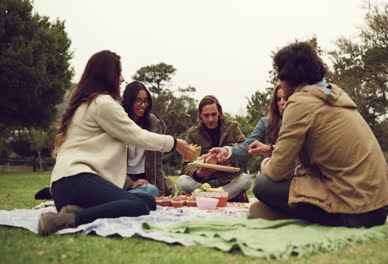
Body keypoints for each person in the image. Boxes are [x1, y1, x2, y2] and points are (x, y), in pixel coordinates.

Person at [38, 50, 195, 236]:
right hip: (77, 180)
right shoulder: (103, 103)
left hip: (63, 188)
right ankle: (66, 220)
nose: (122, 79)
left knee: (149, 201)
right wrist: (175, 143)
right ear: (108, 75)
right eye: (118, 73)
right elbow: (137, 136)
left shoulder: (85, 103)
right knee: (137, 206)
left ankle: (76, 210)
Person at [250, 42, 388, 228]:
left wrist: (264, 163)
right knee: (293, 176)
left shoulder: (300, 102)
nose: (278, 82)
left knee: (262, 184)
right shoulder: (332, 94)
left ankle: (294, 215)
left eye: (278, 75)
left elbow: (278, 170)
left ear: (287, 75)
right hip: (379, 207)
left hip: (356, 212)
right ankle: (292, 213)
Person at [177, 95, 251, 202]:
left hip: (228, 181)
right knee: (182, 181)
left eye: (214, 114)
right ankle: (224, 196)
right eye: (206, 115)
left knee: (246, 179)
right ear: (200, 115)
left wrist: (229, 155)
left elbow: (245, 149)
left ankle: (205, 197)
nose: (210, 119)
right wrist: (198, 174)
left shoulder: (233, 127)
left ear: (219, 112)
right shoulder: (192, 134)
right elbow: (186, 163)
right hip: (202, 183)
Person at [208, 84, 287, 165]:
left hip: (296, 173)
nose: (282, 102)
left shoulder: (299, 123)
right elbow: (247, 148)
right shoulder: (265, 123)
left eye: (286, 98)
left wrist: (270, 149)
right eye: (278, 99)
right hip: (273, 172)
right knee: (261, 178)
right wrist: (226, 151)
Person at [121, 81, 175, 197]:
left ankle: (128, 199)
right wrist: (129, 183)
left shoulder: (153, 122)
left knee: (152, 191)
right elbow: (110, 163)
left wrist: (161, 197)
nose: (143, 105)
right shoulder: (119, 121)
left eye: (145, 100)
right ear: (129, 100)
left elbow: (157, 164)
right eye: (138, 100)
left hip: (145, 180)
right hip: (122, 178)